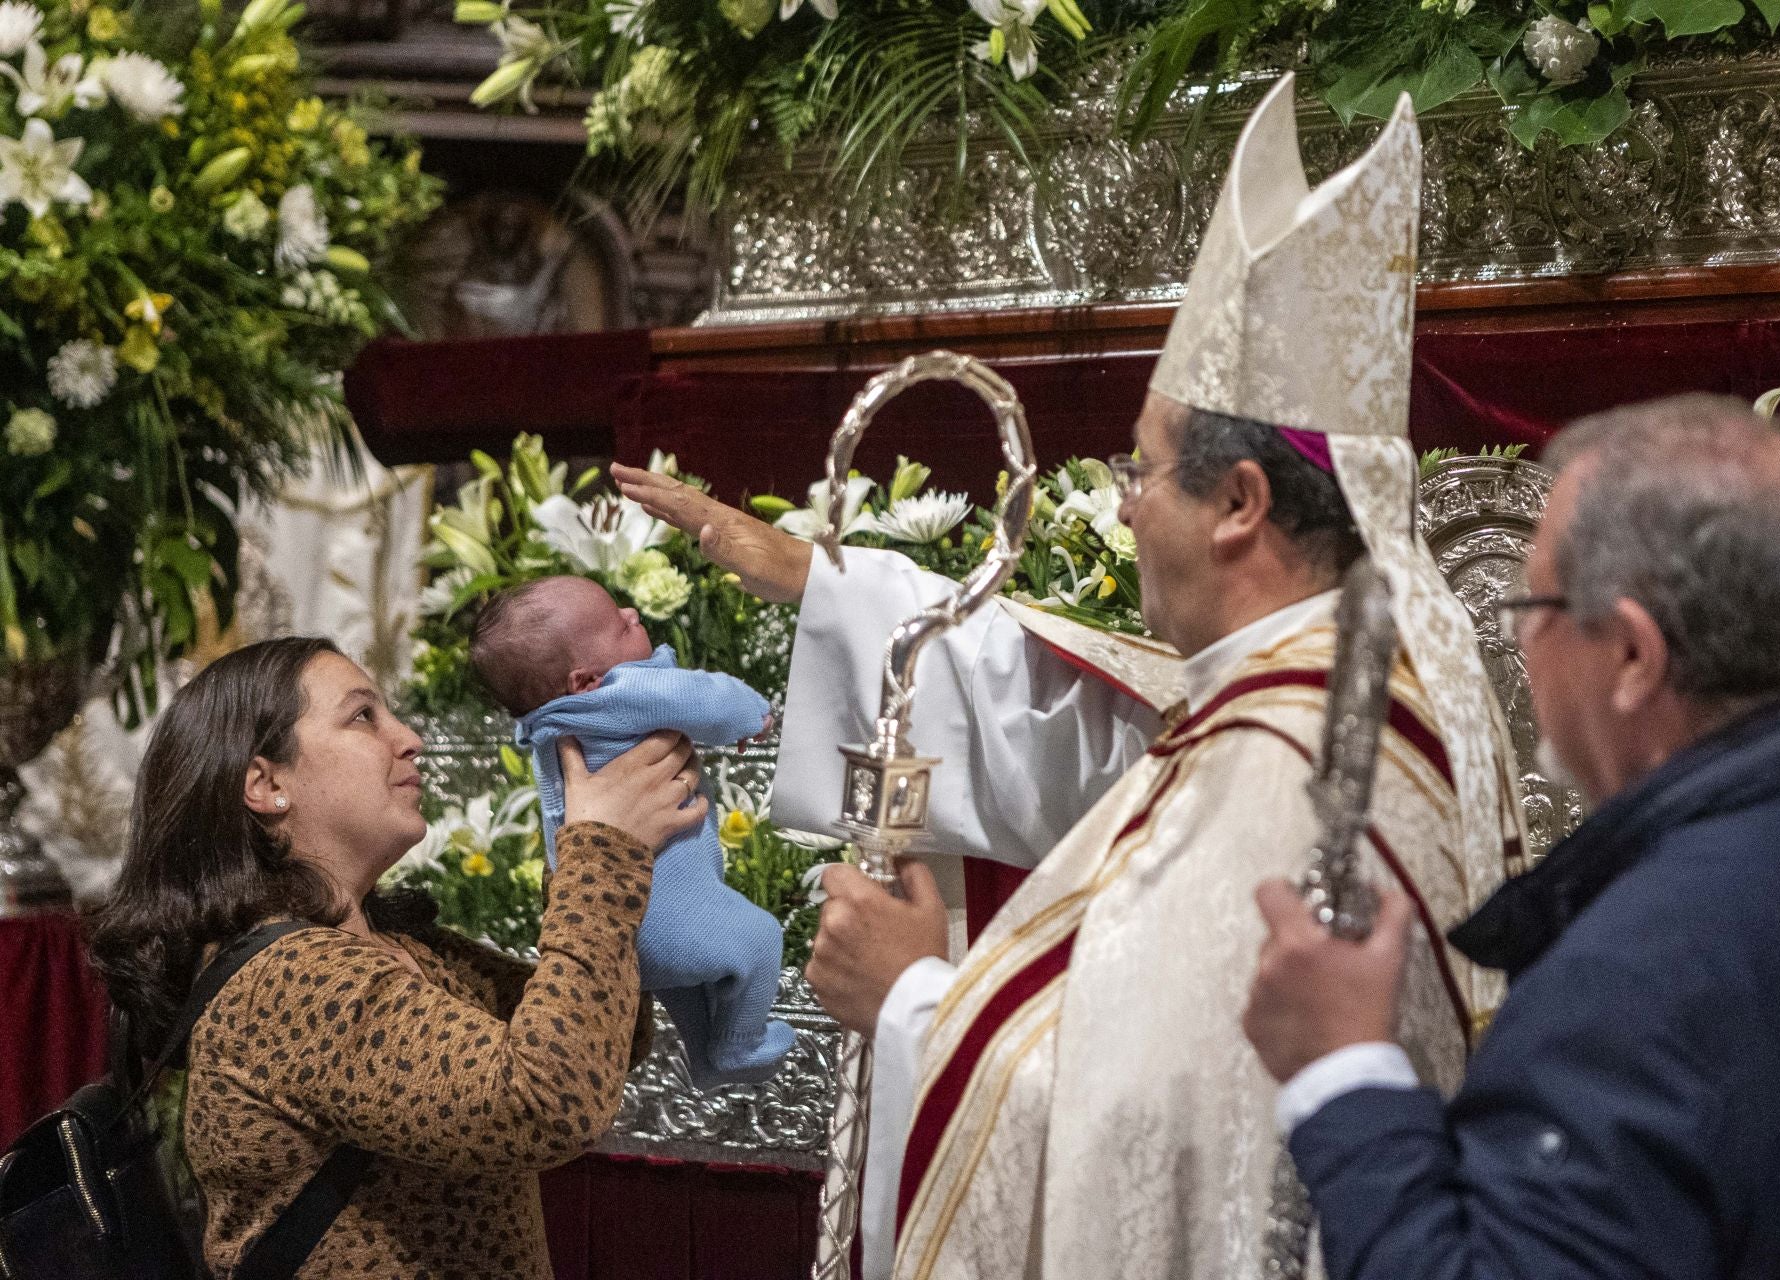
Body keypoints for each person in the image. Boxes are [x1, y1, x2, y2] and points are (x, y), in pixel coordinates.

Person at [617, 73, 1524, 1279]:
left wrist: (908, 1000)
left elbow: (1163, 1156)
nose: (1122, 502)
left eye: (1142, 471)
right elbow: (1107, 734)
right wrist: (827, 588)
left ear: (1242, 504)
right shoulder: (1373, 664)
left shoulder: (1288, 761)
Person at [1243, 394, 1780, 1279]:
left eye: (1536, 603)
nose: (1520, 637)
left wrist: (1344, 1072)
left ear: (1634, 656)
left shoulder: (1635, 987)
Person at [89, 636, 706, 1278]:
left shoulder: (401, 948)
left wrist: (618, 842)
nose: (410, 738)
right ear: (266, 784)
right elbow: (548, 1102)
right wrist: (602, 852)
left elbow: (605, 1034)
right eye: (363, 717)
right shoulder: (288, 981)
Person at [468, 575, 795, 1089]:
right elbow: (708, 699)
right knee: (759, 938)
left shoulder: (551, 726)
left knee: (690, 989)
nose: (631, 612)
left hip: (625, 925)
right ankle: (739, 1047)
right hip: (664, 910)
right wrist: (752, 715)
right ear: (584, 681)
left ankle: (709, 1061)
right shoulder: (623, 693)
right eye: (616, 626)